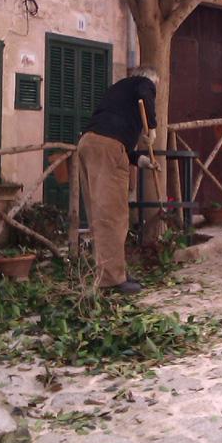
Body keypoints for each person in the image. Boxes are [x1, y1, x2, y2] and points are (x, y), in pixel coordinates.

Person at [77, 66, 158, 294]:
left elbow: (120, 144)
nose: (154, 92)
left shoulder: (118, 90)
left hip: (88, 144)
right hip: (107, 148)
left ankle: (112, 271)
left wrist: (142, 161)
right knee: (112, 215)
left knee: (99, 214)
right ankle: (112, 279)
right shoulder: (143, 83)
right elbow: (145, 89)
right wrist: (152, 127)